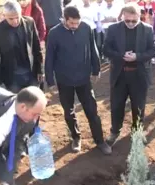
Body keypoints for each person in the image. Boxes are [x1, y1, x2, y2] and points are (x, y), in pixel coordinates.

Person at [45, 6, 111, 155]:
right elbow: (49, 58)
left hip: (83, 78)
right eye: (72, 23)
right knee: (69, 112)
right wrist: (50, 81)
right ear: (64, 19)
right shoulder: (54, 33)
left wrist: (96, 69)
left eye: (77, 23)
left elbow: (93, 48)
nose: (75, 26)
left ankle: (100, 140)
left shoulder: (86, 28)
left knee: (92, 110)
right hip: (64, 79)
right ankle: (76, 137)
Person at [103, 2, 155, 147]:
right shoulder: (113, 29)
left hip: (139, 75)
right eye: (127, 20)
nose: (131, 23)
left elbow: (153, 50)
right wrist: (121, 55)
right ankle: (115, 131)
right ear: (122, 16)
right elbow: (106, 49)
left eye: (134, 20)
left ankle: (137, 132)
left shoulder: (147, 30)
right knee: (116, 105)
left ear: (141, 16)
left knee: (138, 106)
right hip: (119, 75)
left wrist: (137, 56)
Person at [0, 0, 43, 93]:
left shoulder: (30, 22)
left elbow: (36, 47)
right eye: (11, 18)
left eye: (17, 17)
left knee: (34, 102)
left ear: (21, 13)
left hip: (31, 74)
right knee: (16, 105)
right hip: (12, 78)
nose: (15, 21)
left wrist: (40, 69)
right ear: (4, 16)